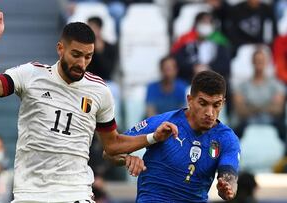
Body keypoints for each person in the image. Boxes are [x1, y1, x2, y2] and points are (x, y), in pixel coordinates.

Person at [0, 5, 176, 203]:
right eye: (76, 55)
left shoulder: (99, 91)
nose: (81, 63)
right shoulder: (30, 75)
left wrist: (153, 137)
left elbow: (112, 145)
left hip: (75, 192)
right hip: (30, 193)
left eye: (88, 57)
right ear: (60, 49)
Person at [106, 70, 240, 202]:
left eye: (216, 105)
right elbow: (109, 152)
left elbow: (229, 177)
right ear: (190, 100)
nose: (210, 113)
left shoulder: (227, 139)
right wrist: (126, 158)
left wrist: (228, 189)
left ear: (223, 103)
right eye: (203, 103)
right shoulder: (163, 124)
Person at [232, 49, 286, 144]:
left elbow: (278, 109)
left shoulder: (277, 85)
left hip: (271, 120)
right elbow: (240, 110)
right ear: (252, 62)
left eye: (261, 60)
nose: (259, 63)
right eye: (257, 60)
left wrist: (251, 107)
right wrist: (267, 106)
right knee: (232, 134)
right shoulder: (242, 86)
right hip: (247, 121)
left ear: (267, 62)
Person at [171, 12, 231, 83]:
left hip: (213, 81)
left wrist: (208, 68)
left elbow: (225, 65)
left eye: (209, 23)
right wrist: (193, 68)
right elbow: (177, 60)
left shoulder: (219, 42)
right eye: (203, 22)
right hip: (189, 79)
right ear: (196, 24)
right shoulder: (186, 41)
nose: (206, 25)